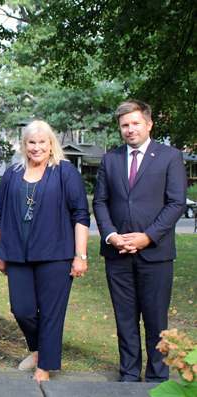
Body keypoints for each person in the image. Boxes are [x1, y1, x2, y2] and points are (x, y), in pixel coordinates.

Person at [93, 99, 187, 382]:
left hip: (155, 253)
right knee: (125, 319)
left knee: (156, 319)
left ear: (149, 124)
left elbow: (176, 203)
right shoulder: (110, 159)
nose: (130, 129)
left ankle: (158, 376)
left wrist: (148, 237)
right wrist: (111, 236)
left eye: (135, 123)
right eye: (124, 125)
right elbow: (100, 202)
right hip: (117, 254)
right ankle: (129, 373)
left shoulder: (170, 156)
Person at [0, 120, 90, 382]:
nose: (36, 147)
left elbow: (81, 214)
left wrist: (80, 255)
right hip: (17, 254)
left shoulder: (65, 172)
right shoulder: (12, 173)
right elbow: (0, 216)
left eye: (42, 142)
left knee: (50, 311)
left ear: (51, 144)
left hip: (56, 254)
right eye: (31, 142)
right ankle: (40, 350)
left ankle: (44, 366)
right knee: (21, 309)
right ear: (24, 145)